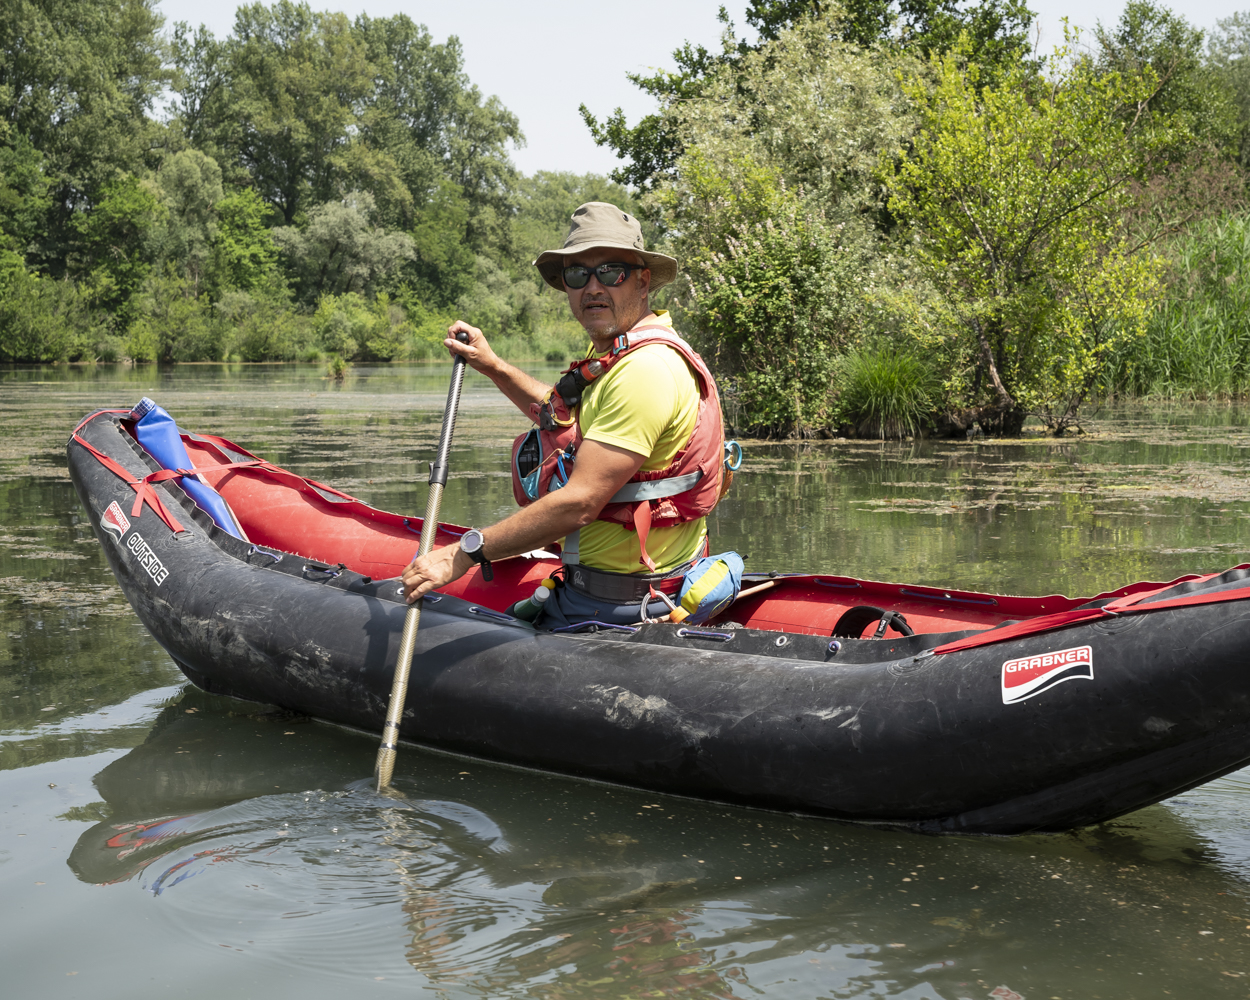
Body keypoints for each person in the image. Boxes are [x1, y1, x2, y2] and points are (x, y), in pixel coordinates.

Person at [401, 201, 725, 627]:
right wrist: (492, 365)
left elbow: (579, 503)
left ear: (643, 281)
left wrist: (462, 554)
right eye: (578, 275)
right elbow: (561, 415)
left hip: (620, 605)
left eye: (611, 272)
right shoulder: (620, 350)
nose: (593, 287)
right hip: (615, 586)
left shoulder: (644, 371)